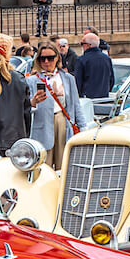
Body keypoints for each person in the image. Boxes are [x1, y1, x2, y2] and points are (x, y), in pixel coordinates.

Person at [29, 38, 91, 170]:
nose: (46, 62)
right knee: (43, 168)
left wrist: (82, 127)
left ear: (57, 58)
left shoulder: (68, 78)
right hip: (42, 125)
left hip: (63, 124)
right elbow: (25, 108)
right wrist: (33, 103)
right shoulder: (32, 80)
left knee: (63, 166)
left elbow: (75, 105)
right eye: (42, 58)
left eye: (50, 58)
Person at [74, 32, 114, 99]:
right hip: (104, 99)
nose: (81, 46)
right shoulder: (107, 59)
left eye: (82, 44)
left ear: (88, 45)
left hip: (87, 100)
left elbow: (78, 82)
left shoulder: (82, 60)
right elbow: (111, 80)